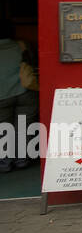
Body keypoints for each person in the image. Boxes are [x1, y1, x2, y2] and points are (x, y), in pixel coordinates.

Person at [0, 21, 37, 172]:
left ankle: (5, 163)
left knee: (3, 129)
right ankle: (21, 160)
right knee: (23, 127)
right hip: (25, 91)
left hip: (2, 95)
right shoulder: (21, 45)